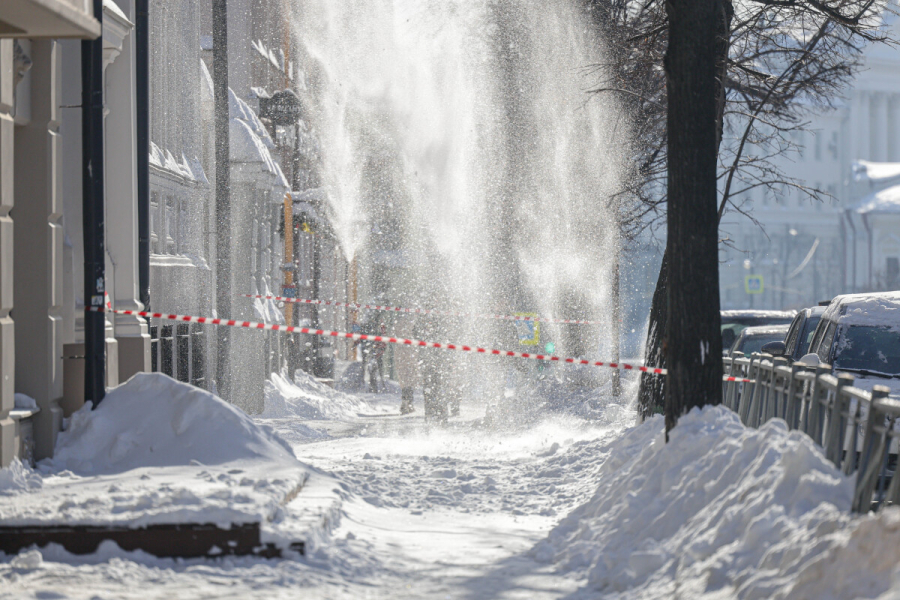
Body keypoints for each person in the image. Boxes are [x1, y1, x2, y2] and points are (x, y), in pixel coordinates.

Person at [394, 316, 419, 414]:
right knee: (411, 378)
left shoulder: (398, 323)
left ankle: (406, 401)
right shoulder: (414, 322)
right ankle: (408, 402)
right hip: (411, 352)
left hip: (401, 352)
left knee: (404, 379)